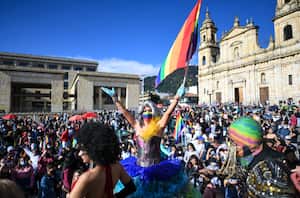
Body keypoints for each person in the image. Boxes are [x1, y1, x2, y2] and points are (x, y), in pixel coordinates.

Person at [101, 83, 193, 197]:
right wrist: (115, 99)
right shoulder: (137, 126)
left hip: (156, 170)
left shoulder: (159, 127)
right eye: (144, 111)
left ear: (154, 112)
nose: (147, 113)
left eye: (149, 110)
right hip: (138, 169)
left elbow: (168, 113)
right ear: (141, 113)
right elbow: (125, 112)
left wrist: (177, 98)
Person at [225, 116, 296, 197]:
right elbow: (241, 173)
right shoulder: (248, 157)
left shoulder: (269, 169)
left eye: (235, 143)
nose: (233, 147)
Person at [69, 122, 136, 198]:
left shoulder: (86, 178)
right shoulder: (117, 166)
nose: (79, 154)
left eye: (82, 149)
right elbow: (131, 187)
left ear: (93, 149)